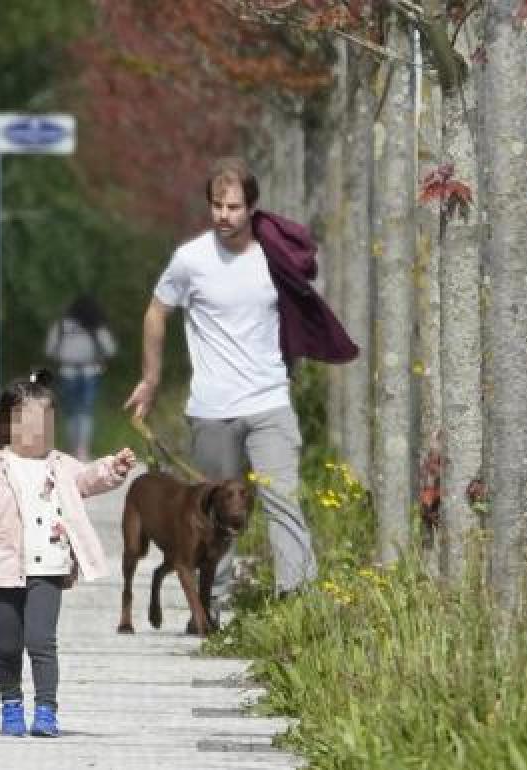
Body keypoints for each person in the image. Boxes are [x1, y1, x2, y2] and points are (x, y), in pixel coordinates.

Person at [124, 156, 357, 626]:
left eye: (233, 207)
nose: (223, 215)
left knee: (282, 499)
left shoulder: (275, 258)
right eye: (217, 205)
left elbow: (300, 309)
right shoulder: (191, 260)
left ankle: (297, 602)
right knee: (211, 512)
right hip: (212, 409)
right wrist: (151, 379)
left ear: (252, 207)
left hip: (270, 402)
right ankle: (213, 606)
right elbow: (156, 312)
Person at [0, 369, 136, 737]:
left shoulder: (61, 464)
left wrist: (113, 468)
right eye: (29, 423)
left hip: (49, 567)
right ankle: (11, 704)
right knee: (7, 644)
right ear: (7, 426)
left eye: (46, 423)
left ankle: (46, 710)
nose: (39, 432)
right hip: (3, 567)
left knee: (41, 641)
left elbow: (89, 478)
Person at [44, 294, 118, 461]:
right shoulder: (95, 326)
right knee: (85, 412)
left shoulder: (62, 326)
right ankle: (83, 449)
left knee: (71, 413)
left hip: (67, 371)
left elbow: (50, 350)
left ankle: (72, 448)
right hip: (90, 371)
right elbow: (110, 349)